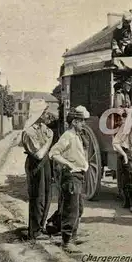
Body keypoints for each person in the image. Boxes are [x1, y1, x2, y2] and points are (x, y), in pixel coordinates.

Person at [49, 106, 90, 253]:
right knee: (71, 209)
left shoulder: (77, 136)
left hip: (79, 175)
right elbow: (53, 153)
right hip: (71, 177)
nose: (83, 124)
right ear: (74, 122)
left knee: (79, 208)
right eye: (81, 121)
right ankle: (66, 242)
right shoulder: (67, 136)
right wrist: (68, 164)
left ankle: (72, 236)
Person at [21, 100, 54, 241]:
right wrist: (49, 140)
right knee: (37, 197)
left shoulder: (42, 127)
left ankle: (40, 226)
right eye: (44, 112)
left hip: (45, 164)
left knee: (47, 196)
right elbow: (39, 154)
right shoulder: (28, 132)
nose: (47, 114)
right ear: (38, 113)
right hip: (36, 165)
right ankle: (34, 232)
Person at [112, 109, 132, 213]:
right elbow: (115, 143)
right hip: (126, 153)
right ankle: (131, 202)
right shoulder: (124, 128)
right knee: (130, 179)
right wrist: (123, 154)